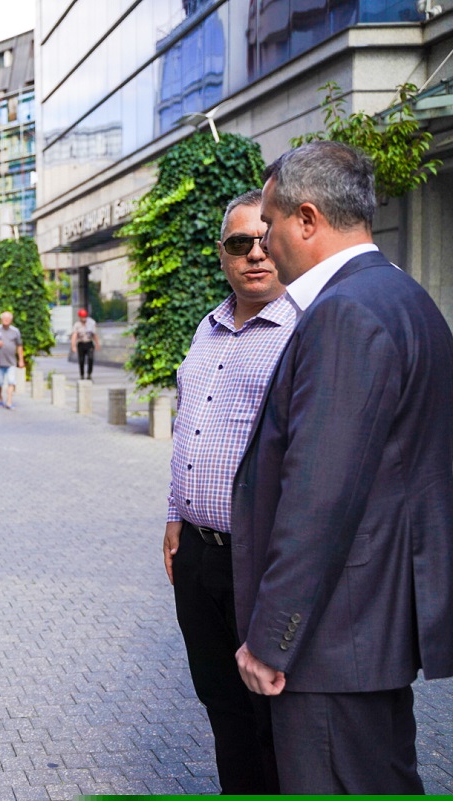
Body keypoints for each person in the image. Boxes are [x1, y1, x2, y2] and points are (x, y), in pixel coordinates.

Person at [232, 140, 453, 794]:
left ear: (307, 219)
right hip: (368, 630)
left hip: (331, 638)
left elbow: (320, 497)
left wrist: (271, 638)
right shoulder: (404, 296)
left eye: (269, 222)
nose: (264, 242)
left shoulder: (344, 312)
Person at [163, 189, 292, 794]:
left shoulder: (303, 329)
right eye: (241, 243)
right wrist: (174, 513)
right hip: (196, 553)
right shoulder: (207, 327)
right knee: (220, 701)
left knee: (273, 714)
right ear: (222, 254)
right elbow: (188, 425)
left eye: (265, 240)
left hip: (260, 558)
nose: (256, 254)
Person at [0, 312, 23, 409]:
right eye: (4, 318)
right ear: (1, 319)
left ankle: (9, 401)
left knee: (11, 381)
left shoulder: (15, 331)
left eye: (8, 318)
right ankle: (0, 397)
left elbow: (19, 345)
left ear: (11, 320)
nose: (6, 320)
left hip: (11, 361)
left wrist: (21, 360)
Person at [69, 308, 100, 380]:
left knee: (90, 358)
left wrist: (97, 343)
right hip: (81, 343)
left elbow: (94, 334)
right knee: (81, 360)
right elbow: (74, 336)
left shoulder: (91, 323)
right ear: (79, 317)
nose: (84, 318)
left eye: (85, 317)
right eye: (82, 317)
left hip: (89, 343)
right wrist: (73, 346)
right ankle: (82, 375)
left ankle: (89, 374)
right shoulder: (77, 325)